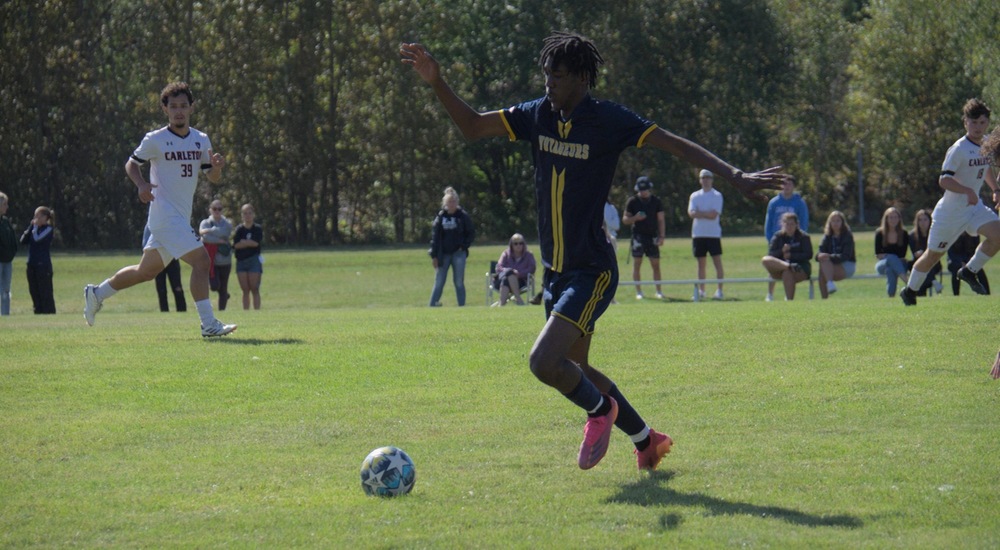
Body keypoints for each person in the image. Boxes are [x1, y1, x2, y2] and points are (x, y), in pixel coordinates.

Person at [401, 32, 785, 471]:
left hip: (593, 270)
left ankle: (600, 412)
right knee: (576, 369)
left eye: (558, 76)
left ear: (583, 78)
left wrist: (735, 174)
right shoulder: (537, 114)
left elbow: (676, 144)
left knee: (544, 362)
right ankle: (647, 441)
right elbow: (472, 127)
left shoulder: (609, 120)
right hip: (556, 272)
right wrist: (437, 81)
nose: (549, 84)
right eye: (546, 75)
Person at [82, 82, 236, 337]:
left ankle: (97, 293)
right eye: (173, 106)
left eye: (183, 106)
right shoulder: (155, 139)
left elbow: (213, 177)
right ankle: (208, 324)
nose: (179, 111)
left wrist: (217, 167)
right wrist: (141, 184)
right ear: (164, 108)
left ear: (191, 108)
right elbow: (131, 164)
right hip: (164, 216)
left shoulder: (201, 139)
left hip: (177, 217)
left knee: (146, 272)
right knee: (201, 261)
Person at [902, 99, 998, 306]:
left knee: (998, 235)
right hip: (950, 213)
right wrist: (966, 191)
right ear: (965, 122)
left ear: (987, 123)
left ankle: (969, 271)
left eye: (982, 123)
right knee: (933, 256)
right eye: (974, 123)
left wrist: (995, 190)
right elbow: (944, 179)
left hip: (974, 208)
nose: (978, 127)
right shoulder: (958, 149)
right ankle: (910, 291)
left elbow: (986, 168)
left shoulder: (987, 143)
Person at [763, 176, 809, 301]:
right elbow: (768, 223)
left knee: (790, 266)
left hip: (794, 241)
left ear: (793, 186)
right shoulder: (774, 202)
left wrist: (800, 239)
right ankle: (770, 294)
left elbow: (804, 222)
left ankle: (787, 293)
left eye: (789, 184)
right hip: (777, 240)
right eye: (784, 184)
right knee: (773, 265)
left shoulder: (799, 202)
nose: (786, 186)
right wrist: (770, 239)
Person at [428, 186, 474, 307]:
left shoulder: (463, 217)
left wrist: (463, 246)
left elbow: (471, 233)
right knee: (439, 282)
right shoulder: (440, 217)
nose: (452, 204)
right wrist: (434, 255)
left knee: (459, 281)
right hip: (443, 254)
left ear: (457, 202)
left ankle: (462, 306)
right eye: (449, 202)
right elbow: (435, 237)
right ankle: (432, 306)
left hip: (459, 253)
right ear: (445, 203)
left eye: (454, 201)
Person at [623, 176, 666, 300]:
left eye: (646, 190)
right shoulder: (632, 201)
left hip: (652, 235)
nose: (643, 192)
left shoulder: (656, 201)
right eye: (641, 190)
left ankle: (658, 291)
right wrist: (635, 218)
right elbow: (625, 220)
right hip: (638, 236)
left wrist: (662, 236)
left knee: (655, 263)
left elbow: (661, 219)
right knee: (637, 263)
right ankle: (639, 292)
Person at [687, 169, 724, 300]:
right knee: (701, 264)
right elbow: (691, 213)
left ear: (712, 179)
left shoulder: (717, 195)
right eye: (703, 177)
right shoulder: (694, 196)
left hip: (713, 234)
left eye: (708, 177)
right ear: (700, 180)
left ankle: (719, 290)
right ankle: (702, 291)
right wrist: (705, 214)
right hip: (698, 234)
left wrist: (700, 213)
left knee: (717, 262)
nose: (706, 180)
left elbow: (714, 215)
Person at [761, 212, 812, 300]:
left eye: (792, 224)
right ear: (782, 224)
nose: (789, 226)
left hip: (800, 268)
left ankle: (789, 301)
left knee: (787, 273)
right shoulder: (778, 236)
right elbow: (771, 254)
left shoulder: (804, 237)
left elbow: (808, 254)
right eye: (787, 224)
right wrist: (782, 251)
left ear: (797, 224)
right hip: (781, 268)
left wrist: (791, 255)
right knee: (765, 260)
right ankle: (788, 266)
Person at [20, 206, 56, 314]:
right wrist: (31, 226)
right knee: (34, 291)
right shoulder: (34, 228)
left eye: (38, 216)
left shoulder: (48, 229)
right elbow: (23, 240)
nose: (36, 218)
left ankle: (48, 312)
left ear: (45, 218)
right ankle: (38, 311)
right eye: (35, 216)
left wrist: (34, 227)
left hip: (43, 266)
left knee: (45, 291)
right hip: (32, 264)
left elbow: (37, 239)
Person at [199, 199, 234, 310]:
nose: (217, 211)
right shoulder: (205, 222)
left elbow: (226, 232)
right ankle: (224, 295)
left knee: (223, 288)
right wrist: (219, 240)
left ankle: (222, 311)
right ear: (210, 210)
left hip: (225, 260)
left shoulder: (227, 223)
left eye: (219, 209)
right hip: (211, 261)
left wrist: (210, 231)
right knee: (214, 286)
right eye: (214, 209)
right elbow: (205, 238)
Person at [815, 210, 856, 299]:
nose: (835, 223)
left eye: (838, 221)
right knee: (823, 266)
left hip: (847, 264)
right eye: (833, 221)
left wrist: (829, 257)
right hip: (830, 265)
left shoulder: (847, 236)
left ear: (842, 222)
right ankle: (828, 291)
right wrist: (819, 256)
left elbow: (845, 256)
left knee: (823, 268)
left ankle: (826, 294)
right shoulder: (827, 236)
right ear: (829, 223)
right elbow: (819, 253)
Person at [492, 233, 537, 306]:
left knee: (506, 280)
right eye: (515, 244)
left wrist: (519, 274)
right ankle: (518, 298)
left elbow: (532, 269)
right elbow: (499, 267)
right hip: (500, 281)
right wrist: (510, 271)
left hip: (521, 282)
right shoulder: (506, 254)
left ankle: (501, 305)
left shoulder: (529, 255)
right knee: (509, 273)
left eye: (520, 243)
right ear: (511, 245)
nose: (518, 246)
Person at [234, 203, 263, 310]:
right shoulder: (239, 230)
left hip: (254, 260)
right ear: (242, 215)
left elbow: (256, 243)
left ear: (253, 214)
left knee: (254, 288)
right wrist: (248, 242)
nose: (247, 215)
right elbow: (236, 245)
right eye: (245, 213)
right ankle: (246, 311)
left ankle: (257, 311)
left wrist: (244, 242)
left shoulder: (257, 229)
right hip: (241, 261)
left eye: (249, 213)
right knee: (245, 289)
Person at [875, 206, 910, 297]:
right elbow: (878, 255)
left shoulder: (904, 233)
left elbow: (902, 254)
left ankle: (891, 296)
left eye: (895, 217)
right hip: (882, 264)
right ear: (886, 219)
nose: (893, 220)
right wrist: (890, 257)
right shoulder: (879, 233)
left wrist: (887, 255)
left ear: (899, 219)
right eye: (890, 217)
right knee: (891, 258)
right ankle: (908, 283)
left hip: (900, 264)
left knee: (890, 270)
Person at [907, 209, 943, 296]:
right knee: (919, 266)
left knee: (927, 265)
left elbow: (936, 251)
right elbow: (914, 253)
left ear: (930, 220)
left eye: (925, 219)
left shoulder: (935, 234)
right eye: (920, 220)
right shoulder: (912, 236)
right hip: (918, 262)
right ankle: (933, 281)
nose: (922, 222)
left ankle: (920, 294)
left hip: (934, 263)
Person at [0, 192, 17, 315]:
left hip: (7, 261)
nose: (7, 207)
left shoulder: (5, 221)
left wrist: (11, 253)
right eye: (4, 204)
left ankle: (5, 314)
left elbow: (12, 239)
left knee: (6, 289)